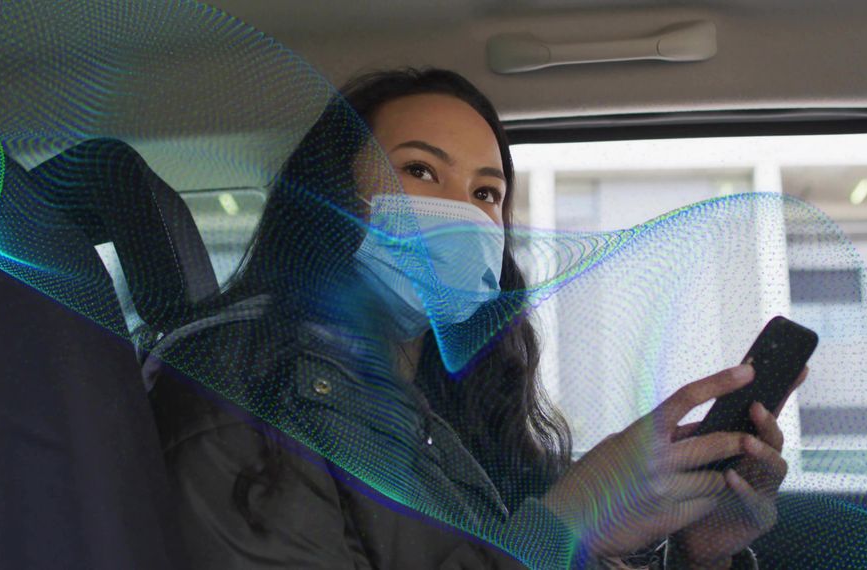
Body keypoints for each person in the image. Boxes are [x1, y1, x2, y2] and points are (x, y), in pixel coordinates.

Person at [147, 68, 805, 569]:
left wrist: (699, 551)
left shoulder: (449, 409)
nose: (462, 213)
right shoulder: (236, 393)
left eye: (486, 193)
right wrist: (564, 524)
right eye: (420, 170)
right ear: (328, 201)